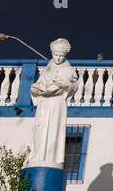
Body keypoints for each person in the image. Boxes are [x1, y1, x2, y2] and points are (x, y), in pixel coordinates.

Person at [24, 38, 78, 169]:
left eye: (61, 56)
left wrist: (65, 85)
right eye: (55, 55)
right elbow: (39, 84)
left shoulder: (68, 70)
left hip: (57, 103)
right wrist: (35, 89)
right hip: (44, 103)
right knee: (40, 128)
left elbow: (74, 86)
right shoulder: (48, 68)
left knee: (54, 128)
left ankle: (51, 156)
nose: (58, 58)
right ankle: (38, 155)